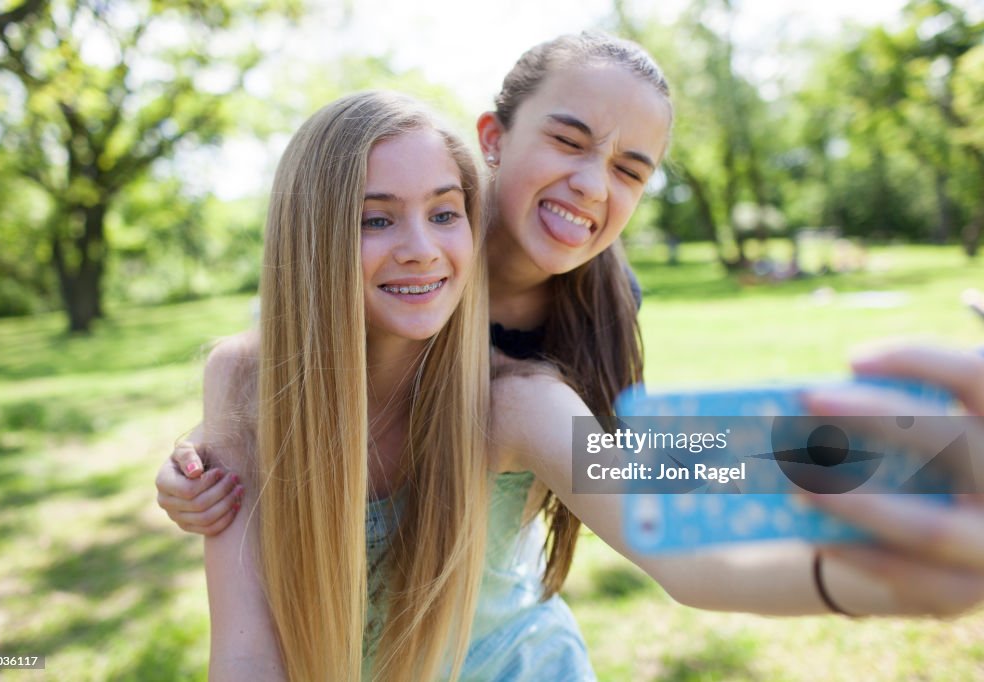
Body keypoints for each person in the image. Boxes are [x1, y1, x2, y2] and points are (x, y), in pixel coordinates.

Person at [166, 31, 984, 676]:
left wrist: (912, 474)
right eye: (377, 219)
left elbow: (667, 484)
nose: (593, 186)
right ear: (492, 140)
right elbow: (245, 643)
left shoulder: (526, 387)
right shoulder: (253, 370)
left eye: (630, 170)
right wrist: (197, 479)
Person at [205, 91, 494, 681]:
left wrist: (738, 456)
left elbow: (629, 478)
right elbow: (244, 653)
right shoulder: (242, 380)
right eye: (376, 220)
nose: (421, 250)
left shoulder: (502, 395)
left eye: (444, 214)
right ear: (312, 239)